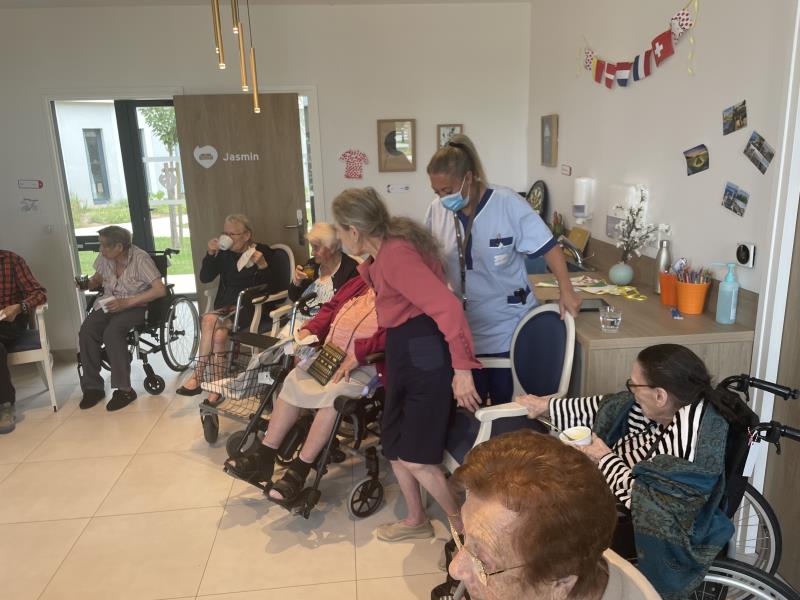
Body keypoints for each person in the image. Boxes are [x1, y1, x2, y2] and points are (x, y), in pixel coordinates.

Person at [518, 344, 735, 599]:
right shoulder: (675, 403)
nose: (631, 390)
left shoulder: (685, 442)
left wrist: (603, 458)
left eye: (634, 385)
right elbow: (607, 405)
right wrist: (545, 405)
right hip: (619, 479)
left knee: (549, 512)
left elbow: (647, 502)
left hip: (636, 517)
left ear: (660, 396)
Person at [332, 187, 482, 542]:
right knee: (395, 446)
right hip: (404, 352)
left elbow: (448, 308)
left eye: (339, 230)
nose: (338, 238)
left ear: (354, 230)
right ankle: (417, 520)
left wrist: (462, 371)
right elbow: (394, 309)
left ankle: (465, 532)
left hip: (423, 355)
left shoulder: (396, 255)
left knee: (416, 457)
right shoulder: (384, 252)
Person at [425, 134, 581, 406]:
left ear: (468, 178)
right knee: (470, 407)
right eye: (437, 192)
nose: (442, 198)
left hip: (509, 326)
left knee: (507, 405)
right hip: (465, 329)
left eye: (447, 190)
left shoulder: (507, 203)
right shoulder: (437, 210)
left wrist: (566, 289)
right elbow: (430, 260)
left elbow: (549, 247)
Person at [441, 429, 657, 600]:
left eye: (483, 563)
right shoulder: (566, 549)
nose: (454, 569)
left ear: (560, 584)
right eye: (463, 537)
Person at [224, 275, 383, 503]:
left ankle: (300, 470)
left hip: (363, 365)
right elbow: (331, 308)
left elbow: (394, 334)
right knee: (294, 379)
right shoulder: (360, 281)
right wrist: (309, 330)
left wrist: (360, 354)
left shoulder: (400, 293)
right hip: (330, 355)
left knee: (335, 396)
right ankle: (264, 455)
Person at [177, 214, 274, 400]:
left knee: (208, 320)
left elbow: (273, 286)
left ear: (246, 235)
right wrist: (210, 254)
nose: (227, 237)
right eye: (225, 233)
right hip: (226, 307)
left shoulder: (263, 252)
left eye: (232, 234)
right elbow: (205, 277)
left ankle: (197, 376)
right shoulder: (224, 254)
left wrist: (263, 265)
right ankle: (215, 389)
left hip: (250, 308)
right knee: (219, 335)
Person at [78, 226, 166, 411]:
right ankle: (93, 387)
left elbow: (160, 290)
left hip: (136, 305)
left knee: (112, 332)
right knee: (87, 330)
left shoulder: (140, 259)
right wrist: (87, 283)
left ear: (119, 247)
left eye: (104, 246)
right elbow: (98, 278)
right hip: (109, 303)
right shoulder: (105, 257)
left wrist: (127, 302)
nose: (101, 249)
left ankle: (125, 390)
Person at [0, 249, 47, 433]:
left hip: (8, 322)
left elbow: (39, 293)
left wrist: (19, 307)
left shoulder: (11, 260)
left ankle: (4, 406)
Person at [287, 222, 359, 327]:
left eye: (316, 247)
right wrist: (297, 282)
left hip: (325, 327)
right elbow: (294, 297)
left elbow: (348, 311)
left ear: (332, 247)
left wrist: (313, 325)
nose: (312, 253)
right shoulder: (312, 265)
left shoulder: (350, 270)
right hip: (297, 321)